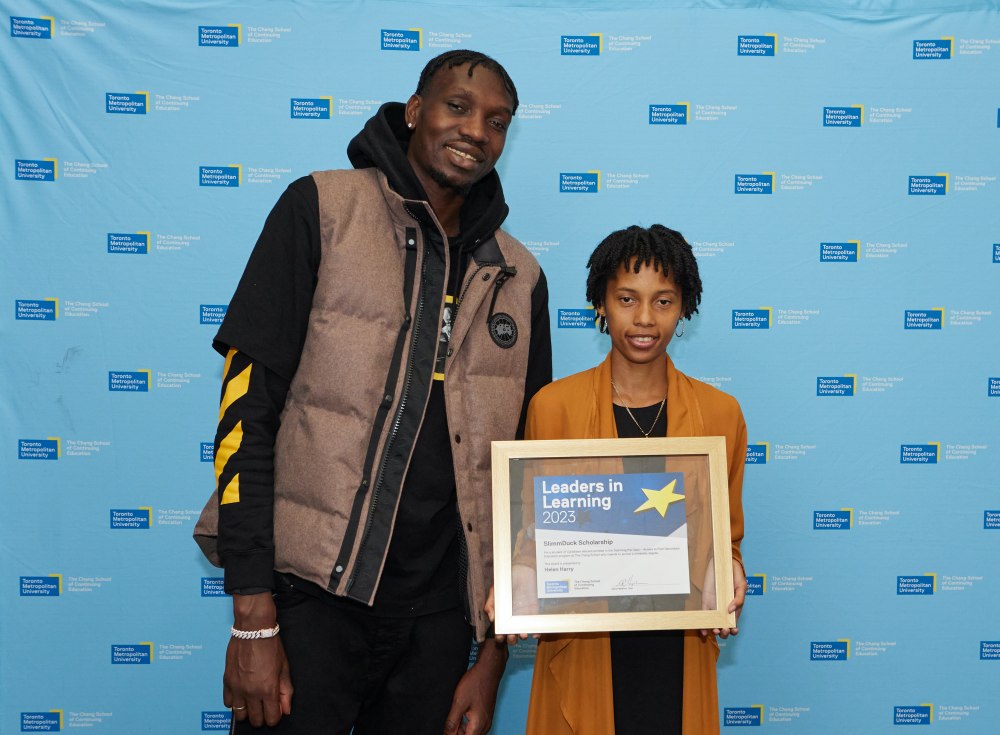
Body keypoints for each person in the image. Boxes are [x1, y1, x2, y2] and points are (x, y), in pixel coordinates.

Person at [193, 49, 552, 735]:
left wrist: (494, 656)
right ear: (414, 110)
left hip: (440, 627)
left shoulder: (520, 276)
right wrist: (254, 618)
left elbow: (525, 481)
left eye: (498, 121)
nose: (477, 130)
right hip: (310, 606)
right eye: (458, 106)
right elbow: (246, 414)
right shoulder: (321, 208)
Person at [488, 224, 746, 734]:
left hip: (676, 649)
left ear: (685, 308)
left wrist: (729, 570)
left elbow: (727, 538)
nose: (645, 319)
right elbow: (533, 537)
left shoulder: (721, 415)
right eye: (627, 299)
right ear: (600, 304)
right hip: (585, 648)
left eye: (664, 301)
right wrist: (519, 576)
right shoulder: (553, 408)